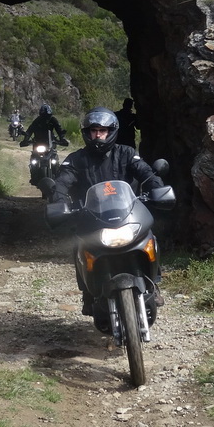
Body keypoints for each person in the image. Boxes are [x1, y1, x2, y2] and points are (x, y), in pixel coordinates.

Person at [47, 106, 165, 317]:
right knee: (79, 246)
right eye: (94, 131)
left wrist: (157, 190)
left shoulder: (127, 153)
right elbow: (62, 183)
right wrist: (59, 204)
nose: (98, 135)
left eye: (102, 130)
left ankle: (153, 281)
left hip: (127, 213)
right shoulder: (75, 159)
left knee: (148, 236)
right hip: (90, 217)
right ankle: (88, 292)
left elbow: (146, 173)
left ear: (111, 132)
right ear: (87, 133)